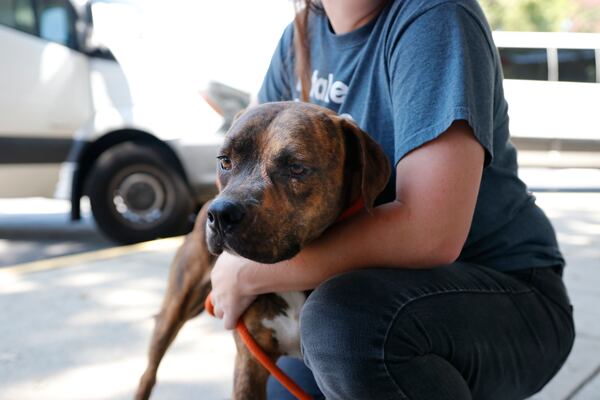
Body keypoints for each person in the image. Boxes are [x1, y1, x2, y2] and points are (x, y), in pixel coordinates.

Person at [209, 0, 575, 399]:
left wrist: (244, 273)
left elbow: (429, 234)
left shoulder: (435, 17)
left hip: (501, 291)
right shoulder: (301, 35)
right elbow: (250, 173)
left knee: (345, 328)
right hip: (351, 291)